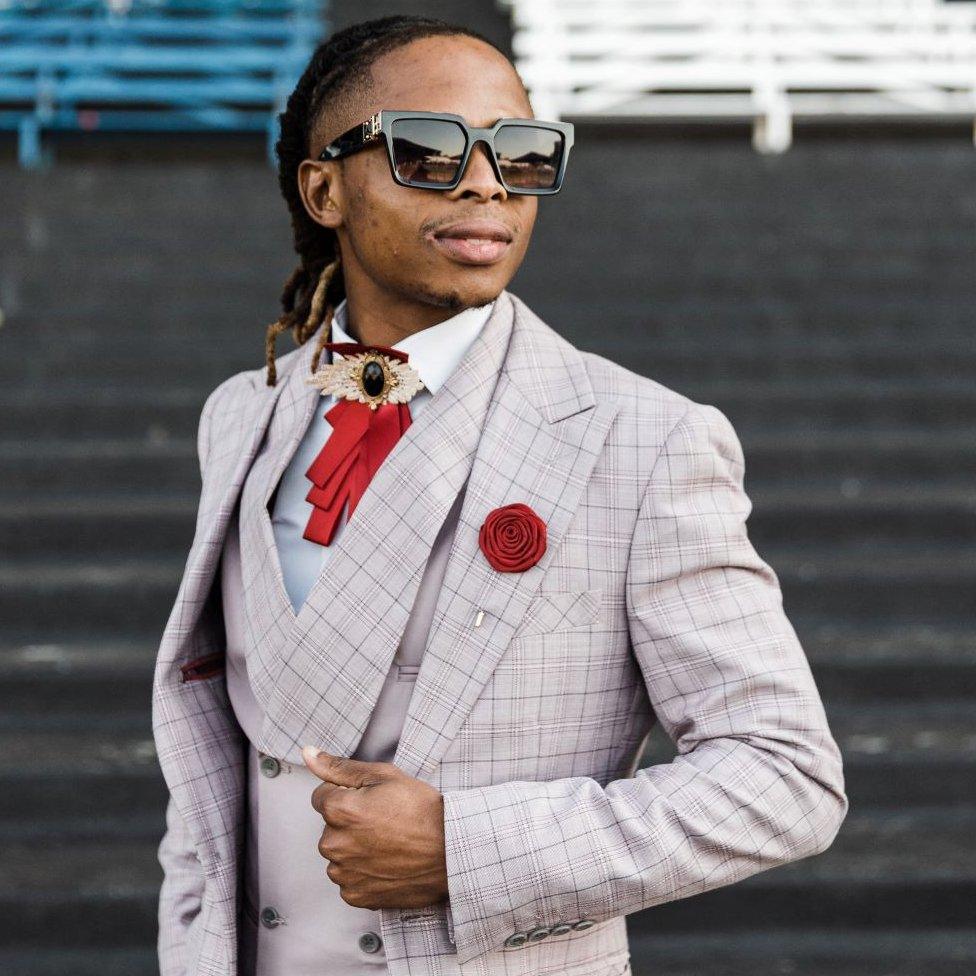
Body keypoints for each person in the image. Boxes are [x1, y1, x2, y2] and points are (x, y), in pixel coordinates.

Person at [151, 14, 848, 976]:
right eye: (429, 150)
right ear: (324, 188)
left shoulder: (643, 442)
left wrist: (465, 849)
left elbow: (787, 778)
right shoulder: (242, 415)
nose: (486, 181)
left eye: (521, 153)